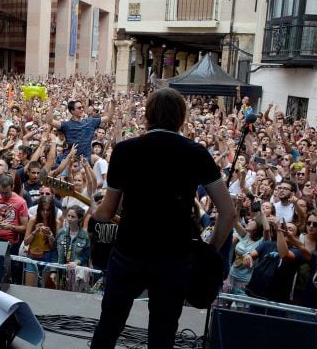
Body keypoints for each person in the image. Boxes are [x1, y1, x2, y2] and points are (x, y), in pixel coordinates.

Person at [90, 88, 235, 349]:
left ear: (147, 116)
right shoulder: (196, 153)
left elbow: (107, 212)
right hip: (174, 258)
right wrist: (209, 251)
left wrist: (93, 209)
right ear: (182, 118)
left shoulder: (125, 150)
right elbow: (228, 212)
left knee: (109, 325)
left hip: (128, 253)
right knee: (163, 334)